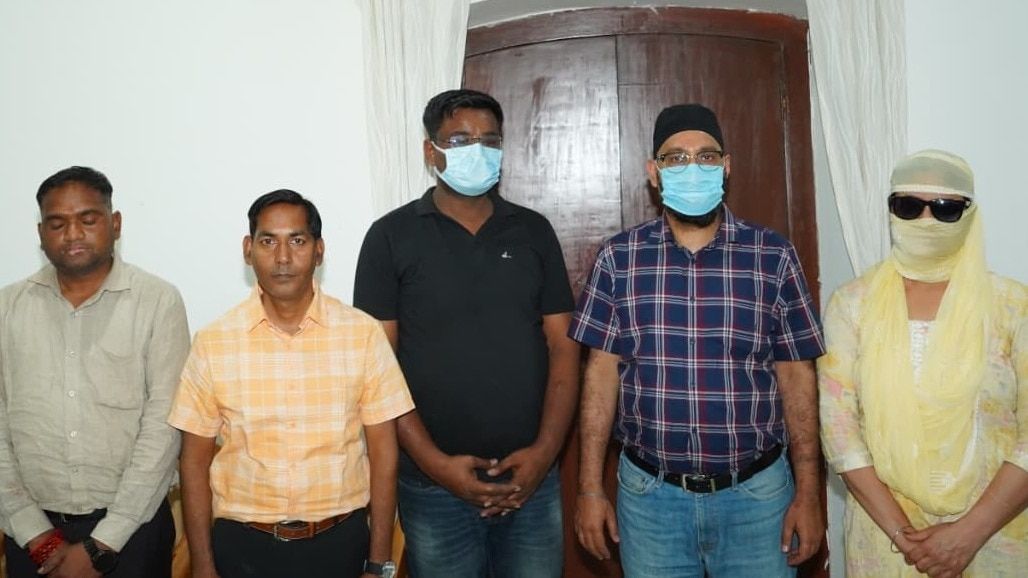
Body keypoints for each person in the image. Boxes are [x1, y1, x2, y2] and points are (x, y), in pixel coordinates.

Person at [571, 104, 826, 577]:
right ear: (654, 173)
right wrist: (589, 488)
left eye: (706, 157)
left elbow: (797, 377)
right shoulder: (619, 259)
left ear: (726, 167)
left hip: (757, 497)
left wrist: (809, 493)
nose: (693, 168)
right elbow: (600, 377)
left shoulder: (772, 256)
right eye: (676, 158)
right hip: (650, 500)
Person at [353, 88, 580, 578]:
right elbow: (377, 371)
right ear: (430, 151)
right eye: (460, 140)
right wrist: (436, 465)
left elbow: (565, 348)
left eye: (489, 140)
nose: (477, 150)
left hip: (531, 483)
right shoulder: (389, 236)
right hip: (432, 487)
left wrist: (545, 454)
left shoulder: (534, 231)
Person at [169, 190, 414, 578]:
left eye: (297, 241)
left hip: (339, 542)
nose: (282, 257)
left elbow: (384, 453)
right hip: (243, 547)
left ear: (319, 251)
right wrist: (202, 564)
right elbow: (194, 461)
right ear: (248, 250)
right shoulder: (213, 342)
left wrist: (378, 561)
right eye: (268, 241)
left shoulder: (363, 335)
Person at [819, 149, 1028, 577]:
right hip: (886, 541)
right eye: (909, 206)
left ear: (969, 213)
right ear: (890, 210)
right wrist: (905, 537)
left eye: (946, 208)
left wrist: (968, 534)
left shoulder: (1013, 307)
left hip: (995, 536)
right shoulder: (852, 305)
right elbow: (839, 433)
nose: (927, 220)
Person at [0, 166, 190, 577]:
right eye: (57, 224)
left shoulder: (157, 301)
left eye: (88, 219)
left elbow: (164, 426)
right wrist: (35, 533)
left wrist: (104, 542)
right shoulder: (7, 308)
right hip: (31, 534)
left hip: (134, 532)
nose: (73, 234)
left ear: (115, 224)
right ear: (40, 233)